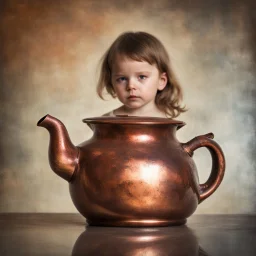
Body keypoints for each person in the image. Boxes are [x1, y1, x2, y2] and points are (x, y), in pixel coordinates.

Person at [97, 31, 186, 118]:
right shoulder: (107, 121)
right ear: (111, 82)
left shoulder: (166, 123)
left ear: (161, 81)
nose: (131, 86)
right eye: (122, 79)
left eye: (142, 77)